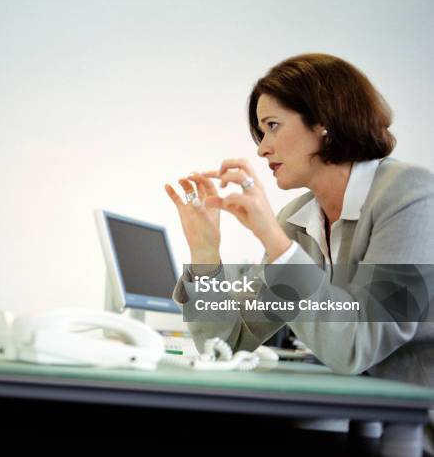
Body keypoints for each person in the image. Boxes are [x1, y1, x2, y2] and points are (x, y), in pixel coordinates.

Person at [165, 53, 434, 388]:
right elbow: (229, 345)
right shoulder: (296, 220)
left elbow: (357, 345)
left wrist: (275, 242)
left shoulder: (412, 196)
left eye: (272, 127)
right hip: (357, 414)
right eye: (261, 133)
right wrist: (205, 255)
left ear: (324, 122)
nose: (262, 149)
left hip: (416, 424)